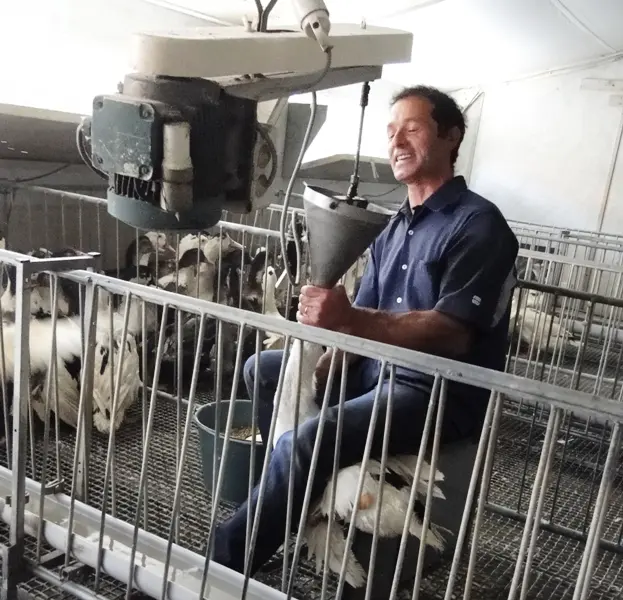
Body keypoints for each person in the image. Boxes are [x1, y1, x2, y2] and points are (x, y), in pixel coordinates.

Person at [212, 85, 519, 575]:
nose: (397, 141)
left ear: (452, 137)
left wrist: (347, 320)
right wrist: (323, 366)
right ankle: (297, 499)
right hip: (376, 373)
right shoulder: (395, 227)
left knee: (312, 438)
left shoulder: (479, 225)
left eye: (412, 129)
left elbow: (453, 333)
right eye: (391, 131)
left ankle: (225, 562)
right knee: (263, 370)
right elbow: (364, 317)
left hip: (434, 390)